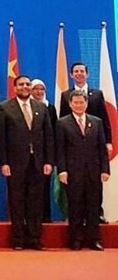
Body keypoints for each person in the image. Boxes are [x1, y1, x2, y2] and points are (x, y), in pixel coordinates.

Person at [0, 75, 54, 250]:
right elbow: (1, 138)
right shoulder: (4, 108)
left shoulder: (41, 107)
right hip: (14, 164)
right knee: (17, 201)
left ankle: (35, 239)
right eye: (21, 84)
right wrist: (3, 162)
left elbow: (48, 137)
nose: (25, 87)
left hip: (37, 162)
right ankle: (18, 239)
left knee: (36, 202)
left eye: (27, 84)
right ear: (15, 88)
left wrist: (49, 161)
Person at [59, 62, 113, 223]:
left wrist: (108, 141)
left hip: (94, 144)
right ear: (71, 75)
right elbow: (62, 119)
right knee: (76, 192)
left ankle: (98, 213)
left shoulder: (97, 93)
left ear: (87, 74)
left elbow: (105, 119)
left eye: (82, 71)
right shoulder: (65, 94)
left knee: (94, 188)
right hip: (74, 148)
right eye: (76, 71)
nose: (79, 73)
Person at [56, 90, 110, 251]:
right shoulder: (62, 123)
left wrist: (105, 170)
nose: (79, 105)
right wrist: (62, 170)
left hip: (94, 171)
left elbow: (102, 148)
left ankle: (94, 239)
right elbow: (60, 149)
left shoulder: (97, 122)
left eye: (82, 102)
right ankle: (75, 239)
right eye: (76, 102)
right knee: (75, 206)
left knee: (94, 206)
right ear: (70, 104)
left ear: (86, 104)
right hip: (72, 172)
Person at [30, 78, 58, 222]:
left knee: (44, 187)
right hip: (27, 155)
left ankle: (45, 217)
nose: (39, 92)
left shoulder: (50, 108)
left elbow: (52, 133)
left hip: (44, 155)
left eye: (42, 89)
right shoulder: (25, 108)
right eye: (36, 89)